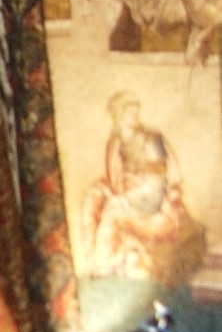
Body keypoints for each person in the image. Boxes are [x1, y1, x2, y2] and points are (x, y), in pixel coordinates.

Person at [80, 92, 196, 279]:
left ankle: (103, 263)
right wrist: (114, 190)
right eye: (128, 112)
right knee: (92, 200)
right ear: (118, 115)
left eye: (135, 112)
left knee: (112, 211)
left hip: (148, 194)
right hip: (124, 188)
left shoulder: (151, 139)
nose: (134, 116)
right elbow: (114, 175)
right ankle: (91, 260)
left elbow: (157, 180)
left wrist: (127, 197)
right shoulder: (116, 141)